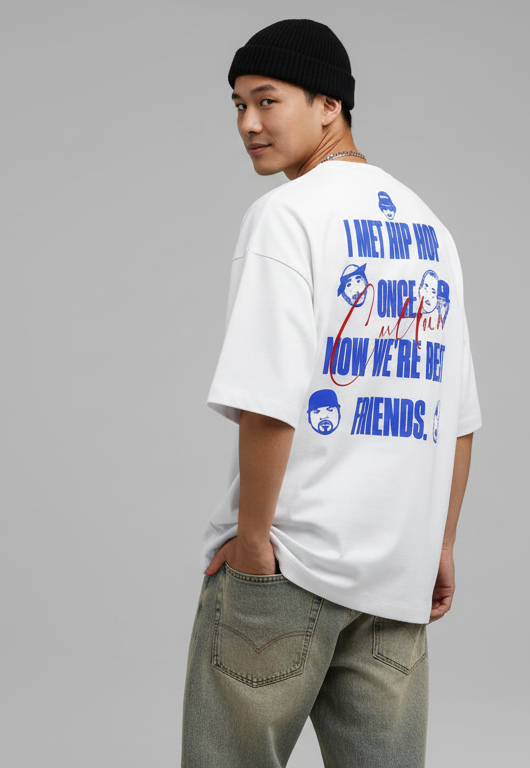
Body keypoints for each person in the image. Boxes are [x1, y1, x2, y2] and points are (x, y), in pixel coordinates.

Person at [181, 18, 481, 768]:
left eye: (267, 100)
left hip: (288, 563)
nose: (248, 124)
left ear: (329, 105)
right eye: (238, 105)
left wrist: (254, 544)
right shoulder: (431, 231)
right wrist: (440, 544)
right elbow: (455, 416)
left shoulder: (285, 217)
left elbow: (267, 397)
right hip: (396, 573)